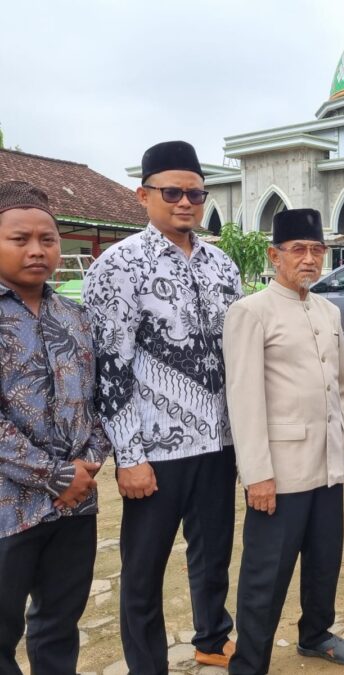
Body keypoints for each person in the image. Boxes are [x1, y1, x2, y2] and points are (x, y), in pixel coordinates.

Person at [83, 141, 243, 672]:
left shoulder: (222, 265)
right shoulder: (118, 266)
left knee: (213, 553)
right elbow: (111, 366)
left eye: (195, 193)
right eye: (172, 192)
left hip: (219, 441)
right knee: (144, 569)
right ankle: (147, 665)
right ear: (144, 195)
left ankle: (211, 639)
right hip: (155, 450)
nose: (185, 203)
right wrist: (129, 456)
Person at [223, 208, 344, 674]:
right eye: (298, 250)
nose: (310, 259)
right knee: (266, 575)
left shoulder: (328, 310)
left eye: (317, 250)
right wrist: (257, 475)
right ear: (274, 256)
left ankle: (315, 634)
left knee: (324, 561)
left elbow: (342, 389)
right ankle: (249, 664)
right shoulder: (250, 312)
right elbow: (244, 400)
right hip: (281, 472)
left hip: (329, 464)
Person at [0, 181, 111, 674]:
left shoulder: (77, 318)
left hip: (74, 505)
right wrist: (54, 475)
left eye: (47, 239)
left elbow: (102, 399)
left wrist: (89, 463)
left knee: (59, 625)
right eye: (20, 239)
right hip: (9, 508)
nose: (37, 250)